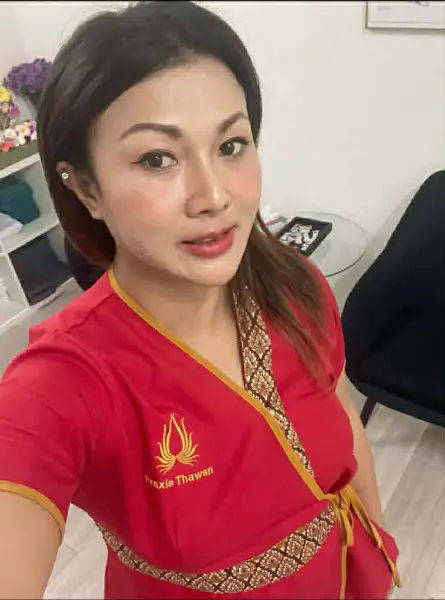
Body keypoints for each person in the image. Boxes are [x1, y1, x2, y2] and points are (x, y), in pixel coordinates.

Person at [0, 2, 400, 599]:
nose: (213, 196)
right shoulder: (67, 381)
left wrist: (376, 551)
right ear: (86, 188)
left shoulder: (295, 286)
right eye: (157, 158)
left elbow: (347, 435)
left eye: (231, 145)